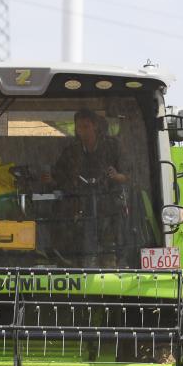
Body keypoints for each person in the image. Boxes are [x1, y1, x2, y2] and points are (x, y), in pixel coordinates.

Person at [43, 109, 130, 266]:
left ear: (95, 126)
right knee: (79, 248)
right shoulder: (71, 151)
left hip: (110, 208)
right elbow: (59, 176)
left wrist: (117, 177)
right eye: (79, 127)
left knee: (109, 251)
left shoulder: (112, 147)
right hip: (78, 208)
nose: (82, 130)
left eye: (86, 126)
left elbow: (132, 175)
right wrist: (51, 180)